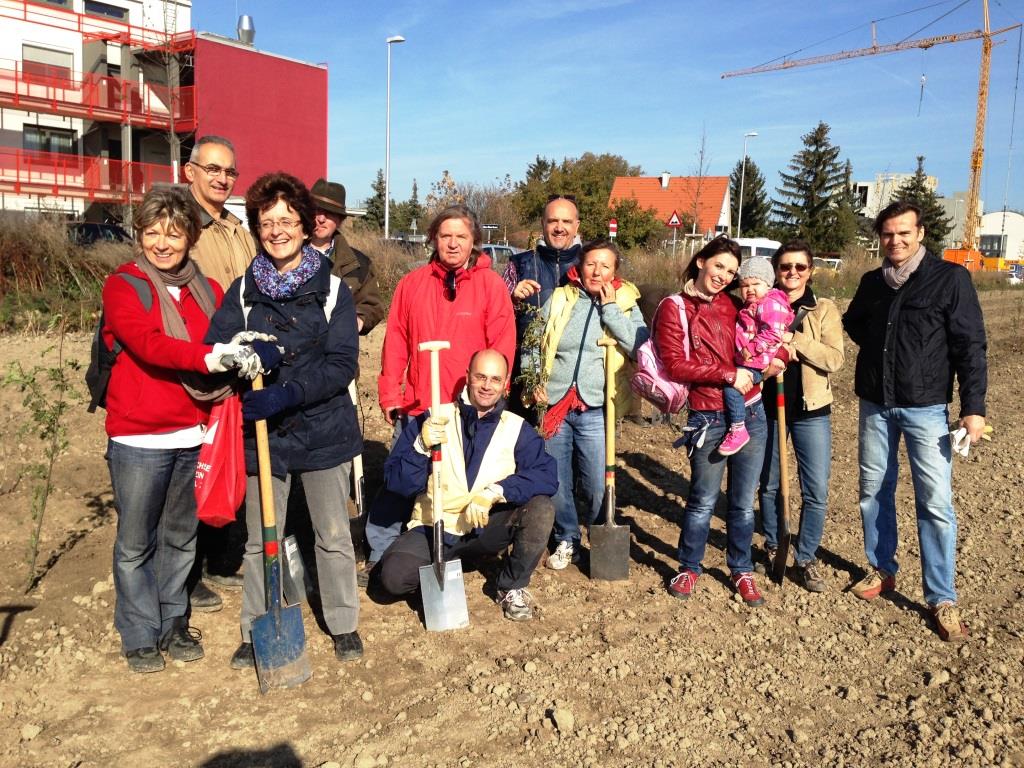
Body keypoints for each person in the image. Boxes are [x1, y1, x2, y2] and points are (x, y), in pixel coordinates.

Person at [206, 172, 365, 667]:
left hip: (323, 427)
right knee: (261, 538)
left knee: (333, 535)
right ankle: (258, 626)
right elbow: (217, 345)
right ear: (256, 227)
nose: (277, 230)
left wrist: (290, 390)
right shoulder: (243, 290)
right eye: (266, 221)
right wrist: (246, 357)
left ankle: (343, 624)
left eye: (286, 220)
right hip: (263, 432)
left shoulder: (334, 288)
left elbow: (343, 364)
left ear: (304, 225)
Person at [101, 187, 256, 673]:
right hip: (139, 436)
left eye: (173, 233)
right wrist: (209, 357)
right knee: (135, 542)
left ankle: (173, 621)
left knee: (180, 538)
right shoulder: (124, 285)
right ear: (140, 236)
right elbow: (150, 345)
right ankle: (139, 631)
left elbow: (225, 333)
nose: (162, 244)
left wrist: (245, 348)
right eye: (151, 233)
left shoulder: (207, 288)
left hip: (192, 431)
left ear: (190, 236)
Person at [842, 201, 987, 641]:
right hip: (875, 404)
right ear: (880, 237)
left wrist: (973, 407)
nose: (896, 241)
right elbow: (854, 323)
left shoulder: (950, 279)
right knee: (873, 490)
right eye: (888, 234)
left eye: (904, 233)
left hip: (925, 408)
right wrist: (878, 351)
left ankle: (942, 597)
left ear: (920, 233)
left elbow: (970, 345)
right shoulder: (872, 282)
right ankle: (882, 567)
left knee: (936, 503)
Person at [368, 205, 515, 567]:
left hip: (466, 407)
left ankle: (460, 545)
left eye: (461, 237)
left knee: (464, 481)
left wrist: (493, 394)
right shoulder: (412, 284)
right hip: (421, 402)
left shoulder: (490, 286)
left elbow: (502, 343)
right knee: (402, 477)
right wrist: (391, 393)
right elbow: (396, 341)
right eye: (445, 236)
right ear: (434, 238)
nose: (452, 243)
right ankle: (380, 548)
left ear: (474, 241)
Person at [377, 349, 557, 620]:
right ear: (467, 377)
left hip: (484, 527)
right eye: (480, 377)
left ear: (505, 383)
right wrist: (419, 446)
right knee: (393, 579)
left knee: (541, 508)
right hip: (434, 526)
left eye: (495, 379)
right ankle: (443, 568)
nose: (487, 386)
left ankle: (511, 585)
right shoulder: (433, 419)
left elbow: (546, 474)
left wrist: (496, 491)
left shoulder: (516, 428)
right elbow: (397, 482)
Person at [653, 236, 768, 607]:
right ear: (701, 261)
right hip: (708, 415)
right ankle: (689, 566)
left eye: (731, 272)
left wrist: (777, 355)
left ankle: (742, 569)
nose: (723, 276)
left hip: (752, 413)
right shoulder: (676, 307)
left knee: (741, 502)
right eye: (719, 266)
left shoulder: (734, 304)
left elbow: (763, 334)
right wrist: (729, 375)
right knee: (702, 500)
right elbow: (675, 364)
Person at [529, 239, 648, 570]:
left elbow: (640, 346)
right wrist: (532, 381)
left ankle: (601, 537)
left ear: (615, 271)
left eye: (605, 265)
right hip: (556, 405)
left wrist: (610, 311)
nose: (597, 271)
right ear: (580, 266)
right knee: (556, 480)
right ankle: (567, 538)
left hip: (597, 408)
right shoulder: (562, 298)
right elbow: (534, 340)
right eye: (591, 264)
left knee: (598, 483)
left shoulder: (625, 301)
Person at [183, 134, 258, 610]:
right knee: (192, 465)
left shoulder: (236, 227)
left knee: (225, 456)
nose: (221, 178)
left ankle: (215, 559)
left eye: (229, 172)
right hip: (195, 360)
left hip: (237, 363)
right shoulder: (178, 221)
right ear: (190, 171)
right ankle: (185, 573)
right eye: (212, 169)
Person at [757, 241, 845, 593]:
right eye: (785, 267)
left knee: (816, 490)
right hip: (769, 408)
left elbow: (834, 359)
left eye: (800, 267)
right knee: (770, 485)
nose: (792, 273)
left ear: (810, 271)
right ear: (776, 270)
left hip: (811, 411)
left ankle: (806, 556)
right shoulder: (761, 305)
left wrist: (795, 340)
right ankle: (775, 543)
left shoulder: (822, 309)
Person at [502, 195, 582, 418]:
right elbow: (495, 317)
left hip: (573, 380)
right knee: (524, 446)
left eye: (566, 222)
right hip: (526, 375)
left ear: (576, 226)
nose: (559, 228)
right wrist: (512, 299)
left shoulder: (591, 266)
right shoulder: (518, 264)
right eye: (552, 221)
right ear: (543, 224)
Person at [718, 257, 793, 456]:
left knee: (732, 390)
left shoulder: (770, 304)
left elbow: (773, 332)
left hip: (757, 361)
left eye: (756, 284)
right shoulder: (752, 305)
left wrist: (751, 348)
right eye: (744, 285)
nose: (750, 289)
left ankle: (738, 428)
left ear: (768, 284)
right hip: (750, 359)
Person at [309, 178, 385, 335]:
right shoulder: (287, 256)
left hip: (338, 352)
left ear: (340, 220)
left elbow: (373, 306)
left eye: (329, 213)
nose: (321, 219)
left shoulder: (360, 264)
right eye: (316, 211)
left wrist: (358, 320)